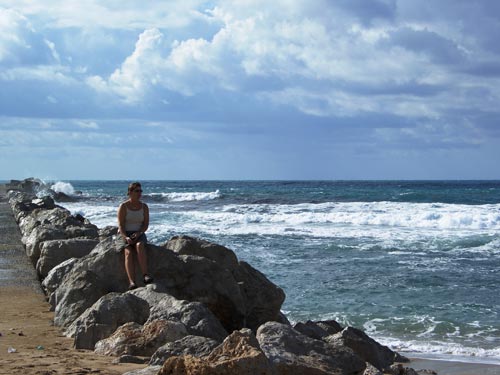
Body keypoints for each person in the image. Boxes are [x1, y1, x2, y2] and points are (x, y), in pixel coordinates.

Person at [117, 182, 153, 290]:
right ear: (130, 192)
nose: (140, 193)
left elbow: (145, 224)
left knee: (139, 245)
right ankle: (132, 282)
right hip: (124, 233)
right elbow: (120, 224)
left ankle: (145, 275)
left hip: (139, 232)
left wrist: (139, 233)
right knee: (128, 252)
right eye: (137, 191)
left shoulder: (144, 206)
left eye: (140, 191)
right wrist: (125, 237)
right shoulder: (123, 206)